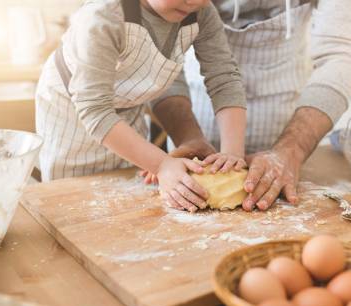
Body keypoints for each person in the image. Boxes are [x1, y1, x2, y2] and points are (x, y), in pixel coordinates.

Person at [150, 0, 351, 211]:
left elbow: (340, 54)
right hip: (195, 114)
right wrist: (184, 140)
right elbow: (159, 59)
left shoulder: (204, 15)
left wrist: (290, 151)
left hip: (286, 117)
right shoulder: (121, 20)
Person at [35, 0, 248, 212]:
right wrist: (161, 165)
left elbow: (224, 79)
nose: (194, 1)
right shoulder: (103, 17)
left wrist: (232, 155)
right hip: (71, 122)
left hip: (126, 118)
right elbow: (95, 110)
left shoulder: (201, 12)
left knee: (124, 203)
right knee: (72, 207)